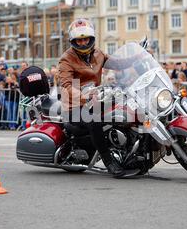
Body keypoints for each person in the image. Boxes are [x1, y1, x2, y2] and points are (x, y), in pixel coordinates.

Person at [58, 18, 137, 178]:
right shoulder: (66, 59)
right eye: (79, 40)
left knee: (126, 107)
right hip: (74, 107)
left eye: (85, 39)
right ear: (73, 41)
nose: (82, 43)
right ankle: (110, 163)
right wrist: (83, 96)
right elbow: (67, 84)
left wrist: (137, 57)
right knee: (93, 121)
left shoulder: (98, 53)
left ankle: (132, 152)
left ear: (91, 38)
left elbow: (117, 64)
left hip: (97, 100)